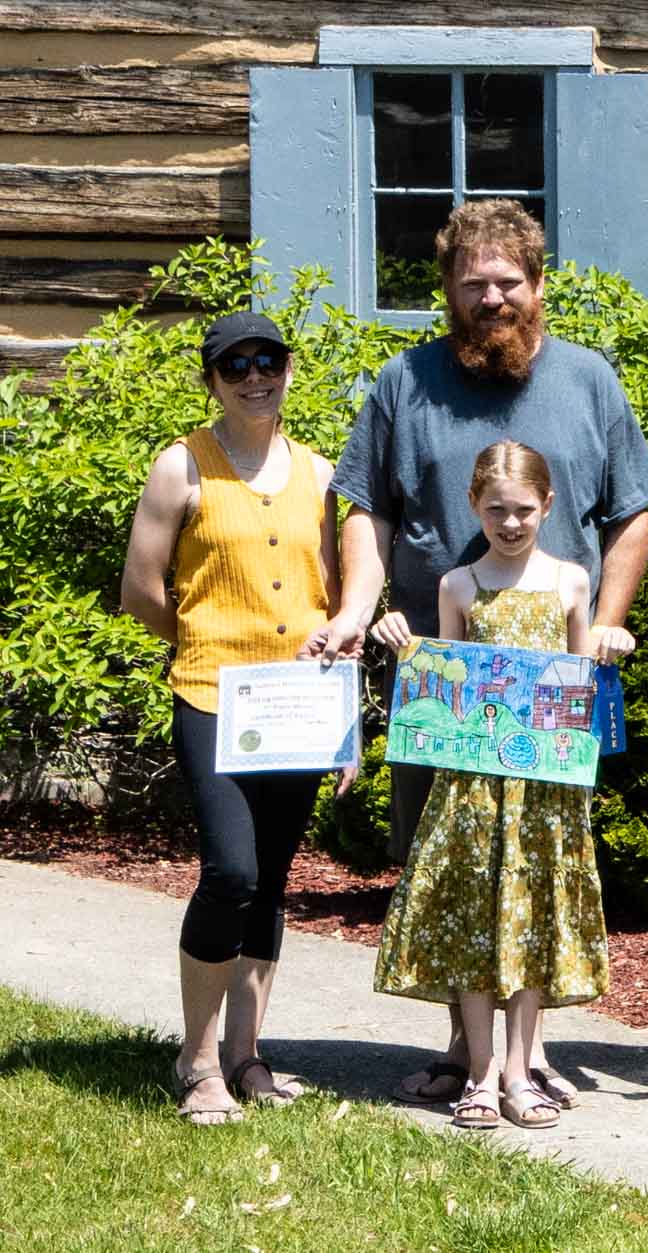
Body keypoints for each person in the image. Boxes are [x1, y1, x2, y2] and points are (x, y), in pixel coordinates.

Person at [313, 199, 648, 1110]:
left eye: (508, 282)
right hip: (446, 674)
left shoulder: (589, 379)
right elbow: (366, 508)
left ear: (539, 286)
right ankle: (469, 1053)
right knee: (452, 862)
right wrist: (361, 606)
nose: (492, 299)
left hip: (552, 687)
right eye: (474, 285)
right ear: (449, 292)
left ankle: (525, 1054)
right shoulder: (405, 381)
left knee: (538, 858)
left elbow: (633, 514)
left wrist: (602, 637)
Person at [119, 310, 350, 1123]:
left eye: (269, 360)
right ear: (212, 378)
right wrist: (205, 639)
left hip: (298, 705)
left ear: (290, 368)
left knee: (273, 882)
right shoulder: (182, 465)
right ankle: (198, 1056)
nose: (256, 375)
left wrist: (340, 720)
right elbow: (141, 587)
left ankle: (249, 1054)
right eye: (235, 364)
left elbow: (335, 594)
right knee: (231, 872)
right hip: (214, 695)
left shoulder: (322, 473)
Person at [372, 442, 609, 1131]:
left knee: (532, 917)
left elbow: (579, 681)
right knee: (476, 920)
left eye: (524, 510)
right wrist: (408, 650)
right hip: (472, 791)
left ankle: (517, 1069)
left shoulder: (570, 580)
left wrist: (604, 650)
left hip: (543, 790)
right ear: (474, 505)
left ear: (548, 506)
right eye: (496, 509)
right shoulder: (458, 586)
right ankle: (477, 1071)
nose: (510, 522)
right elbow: (446, 686)